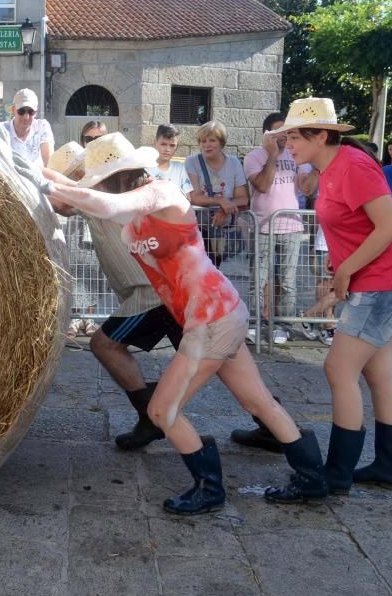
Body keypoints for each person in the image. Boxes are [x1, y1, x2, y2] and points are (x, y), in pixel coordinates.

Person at [41, 132, 328, 513]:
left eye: (101, 179)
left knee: (163, 411)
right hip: (217, 313)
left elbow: (102, 202)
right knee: (257, 401)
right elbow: (82, 196)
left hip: (211, 318)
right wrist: (32, 171)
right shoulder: (135, 211)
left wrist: (44, 181)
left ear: (119, 176)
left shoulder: (161, 194)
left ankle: (210, 490)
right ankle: (313, 479)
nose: (97, 185)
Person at [274, 97, 392, 496]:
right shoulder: (331, 169)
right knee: (377, 373)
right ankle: (387, 469)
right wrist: (341, 266)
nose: (288, 146)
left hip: (384, 284)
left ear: (321, 135)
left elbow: (389, 226)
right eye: (285, 138)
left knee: (339, 370)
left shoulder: (352, 166)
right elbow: (356, 228)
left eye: (293, 138)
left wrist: (346, 268)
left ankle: (336, 475)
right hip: (381, 282)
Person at [243, 112, 318, 344]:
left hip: (291, 226)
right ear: (267, 134)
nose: (284, 137)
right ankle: (255, 323)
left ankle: (283, 325)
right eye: (279, 132)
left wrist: (317, 165)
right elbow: (263, 185)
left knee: (287, 280)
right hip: (263, 226)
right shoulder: (254, 157)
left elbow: (306, 189)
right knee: (259, 278)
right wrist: (273, 156)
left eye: (287, 132)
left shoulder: (297, 157)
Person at [184, 121, 250, 267]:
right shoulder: (192, 161)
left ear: (221, 143)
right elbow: (195, 197)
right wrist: (221, 201)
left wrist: (225, 209)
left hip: (226, 228)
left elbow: (243, 197)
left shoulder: (233, 163)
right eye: (203, 141)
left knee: (220, 272)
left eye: (212, 140)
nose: (207, 145)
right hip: (199, 227)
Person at [67, 121, 109, 338]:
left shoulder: (110, 160)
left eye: (97, 138)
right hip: (76, 218)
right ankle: (74, 320)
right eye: (88, 138)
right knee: (75, 267)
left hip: (98, 220)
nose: (93, 142)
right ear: (83, 140)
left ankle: (90, 318)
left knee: (95, 270)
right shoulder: (75, 160)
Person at [2, 89, 53, 169]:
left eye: (31, 112)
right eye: (21, 111)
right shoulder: (3, 130)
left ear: (36, 112)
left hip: (39, 178)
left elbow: (49, 163)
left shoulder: (42, 126)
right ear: (13, 110)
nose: (26, 117)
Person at [147, 124, 194, 196]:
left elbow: (188, 197)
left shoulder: (180, 168)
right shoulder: (146, 169)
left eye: (172, 145)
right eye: (163, 144)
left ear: (177, 147)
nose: (167, 149)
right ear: (155, 143)